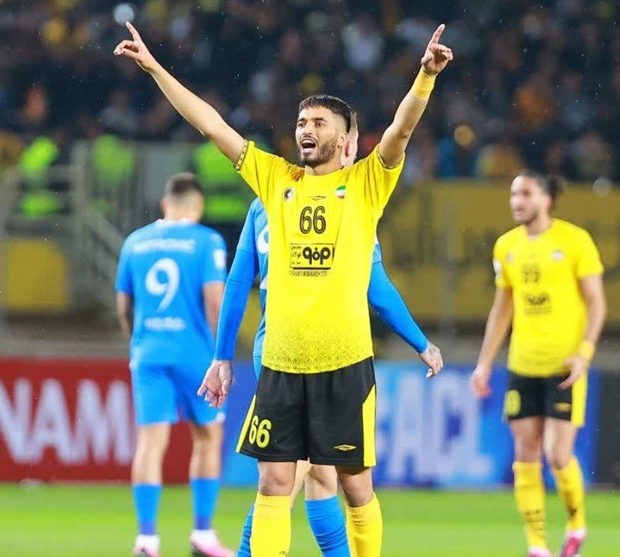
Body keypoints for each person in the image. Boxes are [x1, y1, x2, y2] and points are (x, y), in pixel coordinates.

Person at [114, 21, 452, 557]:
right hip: (279, 362)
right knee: (274, 483)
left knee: (354, 485)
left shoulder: (365, 184)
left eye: (318, 122)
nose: (305, 130)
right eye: (301, 122)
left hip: (343, 362)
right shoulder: (275, 183)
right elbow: (211, 124)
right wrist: (155, 69)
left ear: (344, 139)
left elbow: (401, 130)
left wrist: (425, 77)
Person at [214, 111, 439, 557]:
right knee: (294, 476)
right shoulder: (344, 204)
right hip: (303, 351)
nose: (309, 132)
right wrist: (420, 341)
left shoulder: (267, 201)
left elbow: (239, 283)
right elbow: (377, 288)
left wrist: (222, 353)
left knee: (312, 478)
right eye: (303, 123)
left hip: (276, 347)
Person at [469, 171, 607, 557]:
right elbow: (502, 309)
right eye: (514, 194)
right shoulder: (506, 247)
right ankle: (537, 545)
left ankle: (576, 525)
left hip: (563, 365)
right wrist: (484, 363)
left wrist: (584, 354)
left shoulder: (575, 241)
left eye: (526, 194)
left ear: (546, 199)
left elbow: (596, 302)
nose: (517, 201)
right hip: (522, 365)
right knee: (525, 454)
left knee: (558, 455)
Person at [115, 173, 234, 557]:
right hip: (195, 356)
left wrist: (139, 340)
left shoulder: (135, 242)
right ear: (197, 207)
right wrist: (223, 353)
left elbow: (124, 306)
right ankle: (202, 534)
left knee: (151, 443)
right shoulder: (207, 241)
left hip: (148, 353)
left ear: (166, 204)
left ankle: (146, 539)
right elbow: (214, 300)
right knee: (208, 437)